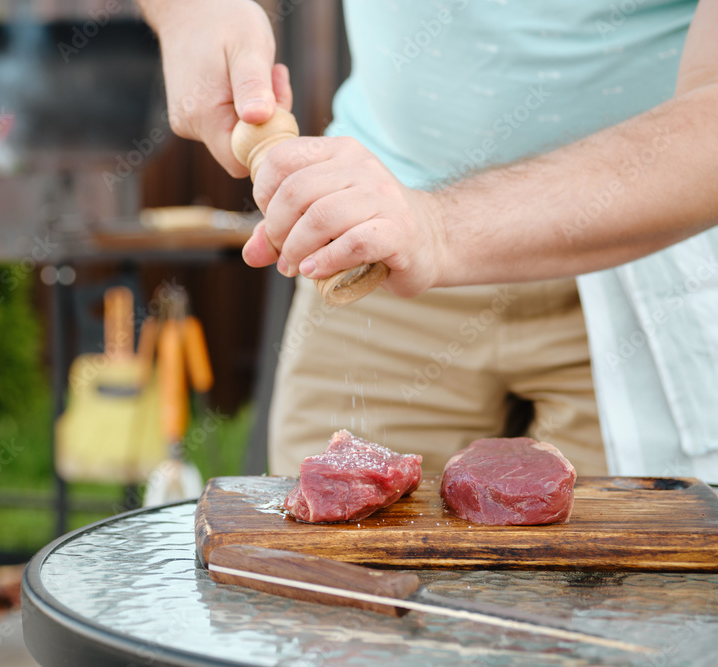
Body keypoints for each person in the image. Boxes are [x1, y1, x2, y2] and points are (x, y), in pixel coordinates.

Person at [137, 0, 718, 482]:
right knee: (325, 588)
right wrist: (189, 12)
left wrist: (439, 226)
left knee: (619, 594)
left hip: (645, 258)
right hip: (371, 258)